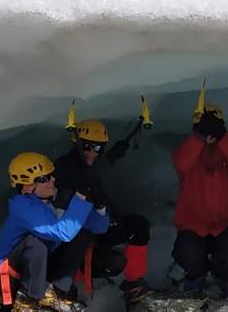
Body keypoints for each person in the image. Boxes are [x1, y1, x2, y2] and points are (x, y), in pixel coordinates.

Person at [0, 152, 108, 312]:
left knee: (82, 235)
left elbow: (98, 227)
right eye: (44, 179)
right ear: (27, 186)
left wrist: (99, 207)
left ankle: (58, 293)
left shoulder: (54, 197)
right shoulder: (21, 206)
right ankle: (27, 301)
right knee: (35, 243)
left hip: (39, 270)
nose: (52, 180)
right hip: (8, 276)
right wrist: (79, 198)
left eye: (51, 175)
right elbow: (63, 233)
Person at [52, 119, 153, 306]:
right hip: (71, 240)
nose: (92, 153)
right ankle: (66, 288)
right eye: (87, 146)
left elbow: (100, 195)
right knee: (103, 256)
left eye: (98, 148)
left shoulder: (93, 169)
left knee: (138, 226)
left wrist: (118, 218)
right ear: (77, 144)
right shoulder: (64, 167)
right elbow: (83, 181)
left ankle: (134, 286)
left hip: (95, 229)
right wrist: (108, 160)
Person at [170, 104, 228, 298]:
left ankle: (223, 274)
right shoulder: (189, 149)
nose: (209, 133)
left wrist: (223, 137)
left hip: (225, 224)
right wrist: (198, 138)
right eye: (203, 127)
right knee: (186, 251)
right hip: (193, 224)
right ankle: (196, 275)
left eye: (214, 126)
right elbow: (181, 162)